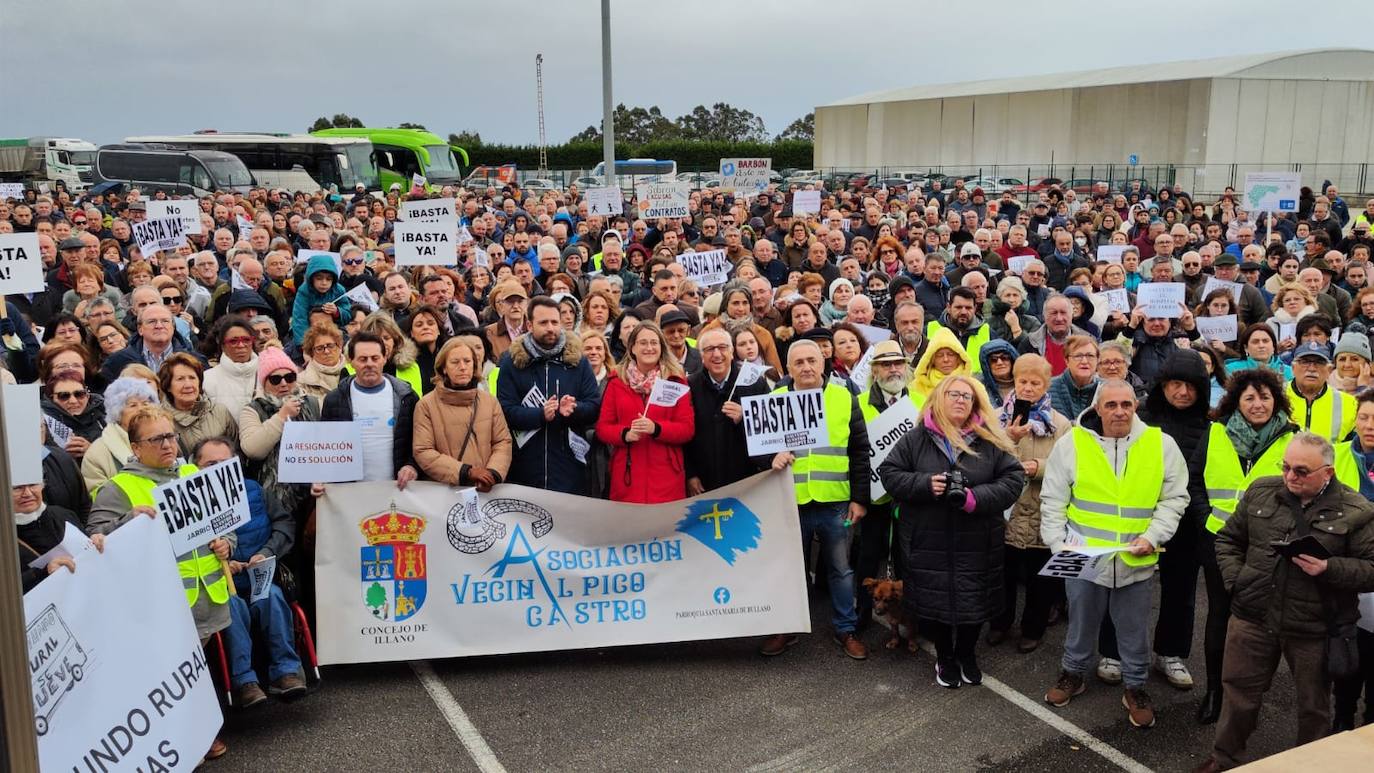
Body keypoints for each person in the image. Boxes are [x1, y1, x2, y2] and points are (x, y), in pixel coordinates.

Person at [1196, 433, 1374, 772]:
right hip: (1252, 617)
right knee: (1238, 696)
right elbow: (1229, 540)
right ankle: (1224, 759)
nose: (1291, 476)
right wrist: (1238, 582)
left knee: (1313, 706)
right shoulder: (1262, 491)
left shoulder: (1356, 511)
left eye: (1302, 471)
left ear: (1328, 473)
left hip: (1313, 627)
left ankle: (1309, 765)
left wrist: (1329, 567)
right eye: (1286, 467)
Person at [1041, 380, 1188, 728]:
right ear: (1097, 408)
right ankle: (1072, 675)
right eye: (1111, 405)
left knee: (1133, 630)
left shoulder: (1161, 444)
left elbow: (1175, 498)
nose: (1119, 411)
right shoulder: (1072, 443)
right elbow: (1053, 500)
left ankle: (1135, 687)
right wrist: (1057, 544)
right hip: (1082, 554)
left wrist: (1153, 536)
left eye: (1126, 404)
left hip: (1135, 557)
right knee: (1080, 622)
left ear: (1135, 407)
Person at [876, 373, 1025, 686]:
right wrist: (925, 484)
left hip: (978, 540)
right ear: (938, 399)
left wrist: (974, 499)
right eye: (953, 394)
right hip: (928, 539)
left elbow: (1013, 480)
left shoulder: (991, 439)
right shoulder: (916, 438)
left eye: (967, 396)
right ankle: (945, 657)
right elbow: (889, 473)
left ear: (975, 403)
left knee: (975, 602)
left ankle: (967, 654)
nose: (960, 400)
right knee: (937, 604)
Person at [1187, 367, 1297, 726]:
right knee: (1219, 617)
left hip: (1269, 547)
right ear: (1236, 402)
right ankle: (1215, 692)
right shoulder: (1216, 432)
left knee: (1259, 623)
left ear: (1275, 400)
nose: (1258, 404)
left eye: (1265, 396)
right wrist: (1205, 518)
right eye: (1249, 397)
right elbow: (1194, 479)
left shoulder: (1292, 438)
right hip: (1219, 541)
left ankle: (1247, 694)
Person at [1096, 350, 1212, 692]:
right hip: (1136, 519)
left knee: (1181, 590)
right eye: (1175, 384)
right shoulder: (1138, 416)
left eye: (1190, 387)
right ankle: (1112, 652)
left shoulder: (1210, 426)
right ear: (1163, 384)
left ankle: (1171, 653)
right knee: (1122, 585)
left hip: (1186, 522)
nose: (1182, 393)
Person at [758, 340, 871, 661]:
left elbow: (860, 452)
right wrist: (770, 457)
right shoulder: (775, 399)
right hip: (790, 503)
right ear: (788, 368)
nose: (806, 367)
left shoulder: (844, 398)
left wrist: (860, 499)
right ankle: (786, 627)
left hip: (835, 502)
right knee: (789, 571)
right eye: (799, 363)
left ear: (824, 363)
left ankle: (845, 629)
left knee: (840, 569)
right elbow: (757, 450)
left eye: (812, 360)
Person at [192, 437, 307, 704]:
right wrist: (219, 565)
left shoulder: (255, 490)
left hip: (259, 574)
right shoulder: (190, 506)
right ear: (195, 467)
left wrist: (266, 552)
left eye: (225, 463)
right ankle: (244, 681)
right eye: (210, 464)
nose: (218, 469)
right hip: (218, 582)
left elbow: (284, 524)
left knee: (273, 598)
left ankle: (286, 672)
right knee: (231, 607)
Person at [988, 354, 1071, 654]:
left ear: (1046, 385)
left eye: (1035, 383)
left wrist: (1040, 467)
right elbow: (985, 459)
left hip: (1041, 511)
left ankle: (1032, 629)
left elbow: (1070, 465)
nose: (1028, 388)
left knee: (1040, 580)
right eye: (1023, 381)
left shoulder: (1060, 424)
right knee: (1002, 575)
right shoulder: (997, 417)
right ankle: (999, 623)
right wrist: (1009, 438)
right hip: (1005, 512)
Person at [496, 296, 601, 494]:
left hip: (568, 467)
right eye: (543, 323)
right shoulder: (512, 362)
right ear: (529, 324)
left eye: (555, 322)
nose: (551, 328)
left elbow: (594, 406)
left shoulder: (578, 361)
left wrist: (574, 409)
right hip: (525, 467)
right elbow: (504, 410)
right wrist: (540, 415)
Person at [595, 322, 695, 503]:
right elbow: (603, 427)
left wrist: (656, 429)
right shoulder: (616, 382)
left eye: (654, 343)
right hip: (627, 475)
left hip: (666, 477)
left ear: (661, 347)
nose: (649, 348)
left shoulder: (675, 381)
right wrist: (625, 434)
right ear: (632, 347)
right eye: (643, 343)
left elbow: (687, 429)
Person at [321, 332, 419, 487]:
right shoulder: (335, 399)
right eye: (362, 359)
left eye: (375, 358)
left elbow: (419, 442)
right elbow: (325, 448)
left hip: (398, 490)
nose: (369, 364)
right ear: (351, 361)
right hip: (351, 493)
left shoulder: (406, 397)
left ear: (385, 358)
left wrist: (411, 465)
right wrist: (320, 478)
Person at [412, 338, 513, 489]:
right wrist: (466, 472)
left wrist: (492, 473)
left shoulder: (489, 401)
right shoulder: (426, 405)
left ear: (474, 365)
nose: (463, 367)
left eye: (467, 361)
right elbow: (423, 451)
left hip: (486, 489)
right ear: (443, 367)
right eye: (455, 362)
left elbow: (503, 442)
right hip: (445, 493)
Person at [684, 327, 770, 496]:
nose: (717, 354)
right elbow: (685, 437)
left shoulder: (755, 384)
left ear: (732, 352)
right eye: (709, 349)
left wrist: (745, 418)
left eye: (722, 348)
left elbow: (769, 431)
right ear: (701, 356)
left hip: (747, 481)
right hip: (705, 483)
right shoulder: (690, 386)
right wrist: (690, 474)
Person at [1333, 393, 1374, 731]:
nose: (1370, 426)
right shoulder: (1338, 455)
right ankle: (1341, 722)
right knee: (1348, 660)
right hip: (1346, 571)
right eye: (1364, 417)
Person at [14, 481, 102, 593]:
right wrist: (44, 573)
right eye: (17, 488)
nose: (27, 493)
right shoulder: (5, 537)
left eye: (32, 485)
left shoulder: (63, 515)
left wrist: (96, 541)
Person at [80, 376, 159, 493]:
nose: (141, 409)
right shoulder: (97, 453)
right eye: (133, 405)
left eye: (146, 403)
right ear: (117, 413)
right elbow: (99, 499)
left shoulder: (166, 439)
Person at [161, 352, 237, 455]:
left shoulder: (220, 412)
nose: (188, 385)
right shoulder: (161, 420)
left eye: (192, 378)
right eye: (180, 379)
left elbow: (236, 451)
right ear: (168, 386)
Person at [1287, 341, 1357, 442]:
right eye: (1305, 362)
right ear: (1293, 368)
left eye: (1319, 363)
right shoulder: (1275, 396)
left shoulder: (1350, 404)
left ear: (1329, 370)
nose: (1311, 368)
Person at [289, 253, 351, 345]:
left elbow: (348, 315)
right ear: (311, 278)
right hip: (310, 332)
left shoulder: (338, 290)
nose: (324, 283)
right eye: (319, 278)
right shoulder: (304, 291)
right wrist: (304, 345)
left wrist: (337, 311)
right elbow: (299, 318)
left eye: (328, 279)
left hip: (335, 331)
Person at [1048, 335, 1100, 421]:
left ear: (1097, 360)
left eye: (1090, 356)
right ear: (1066, 360)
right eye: (1078, 356)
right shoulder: (1048, 389)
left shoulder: (1107, 389)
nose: (1084, 361)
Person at [296, 322, 345, 400]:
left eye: (330, 346)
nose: (326, 351)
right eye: (320, 348)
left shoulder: (355, 371)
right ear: (311, 352)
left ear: (340, 346)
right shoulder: (302, 381)